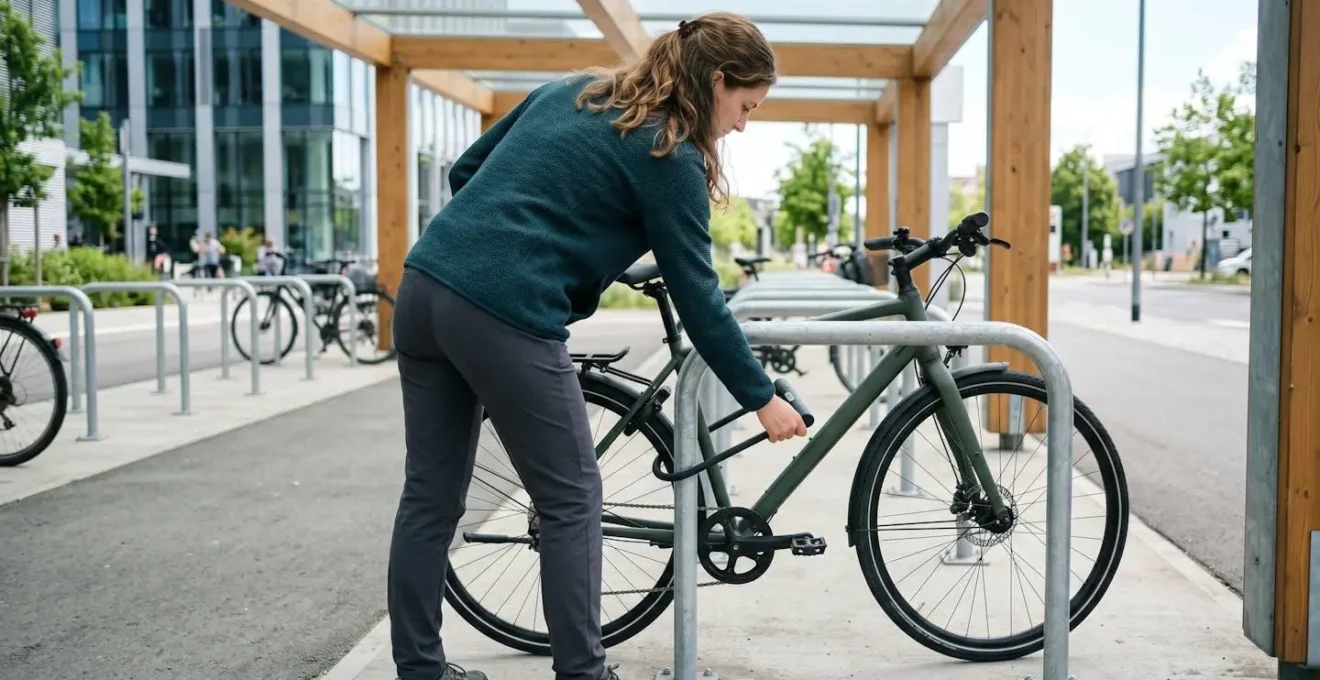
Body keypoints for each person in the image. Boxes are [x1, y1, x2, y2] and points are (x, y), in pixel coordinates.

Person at [386, 12, 806, 680]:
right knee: (573, 498)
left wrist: (528, 238)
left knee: (430, 497)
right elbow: (700, 296)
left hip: (423, 287)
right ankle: (584, 674)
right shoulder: (670, 152)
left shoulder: (575, 90)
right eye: (745, 106)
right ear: (718, 81)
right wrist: (762, 397)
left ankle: (420, 670)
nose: (743, 124)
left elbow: (467, 173)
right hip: (505, 313)